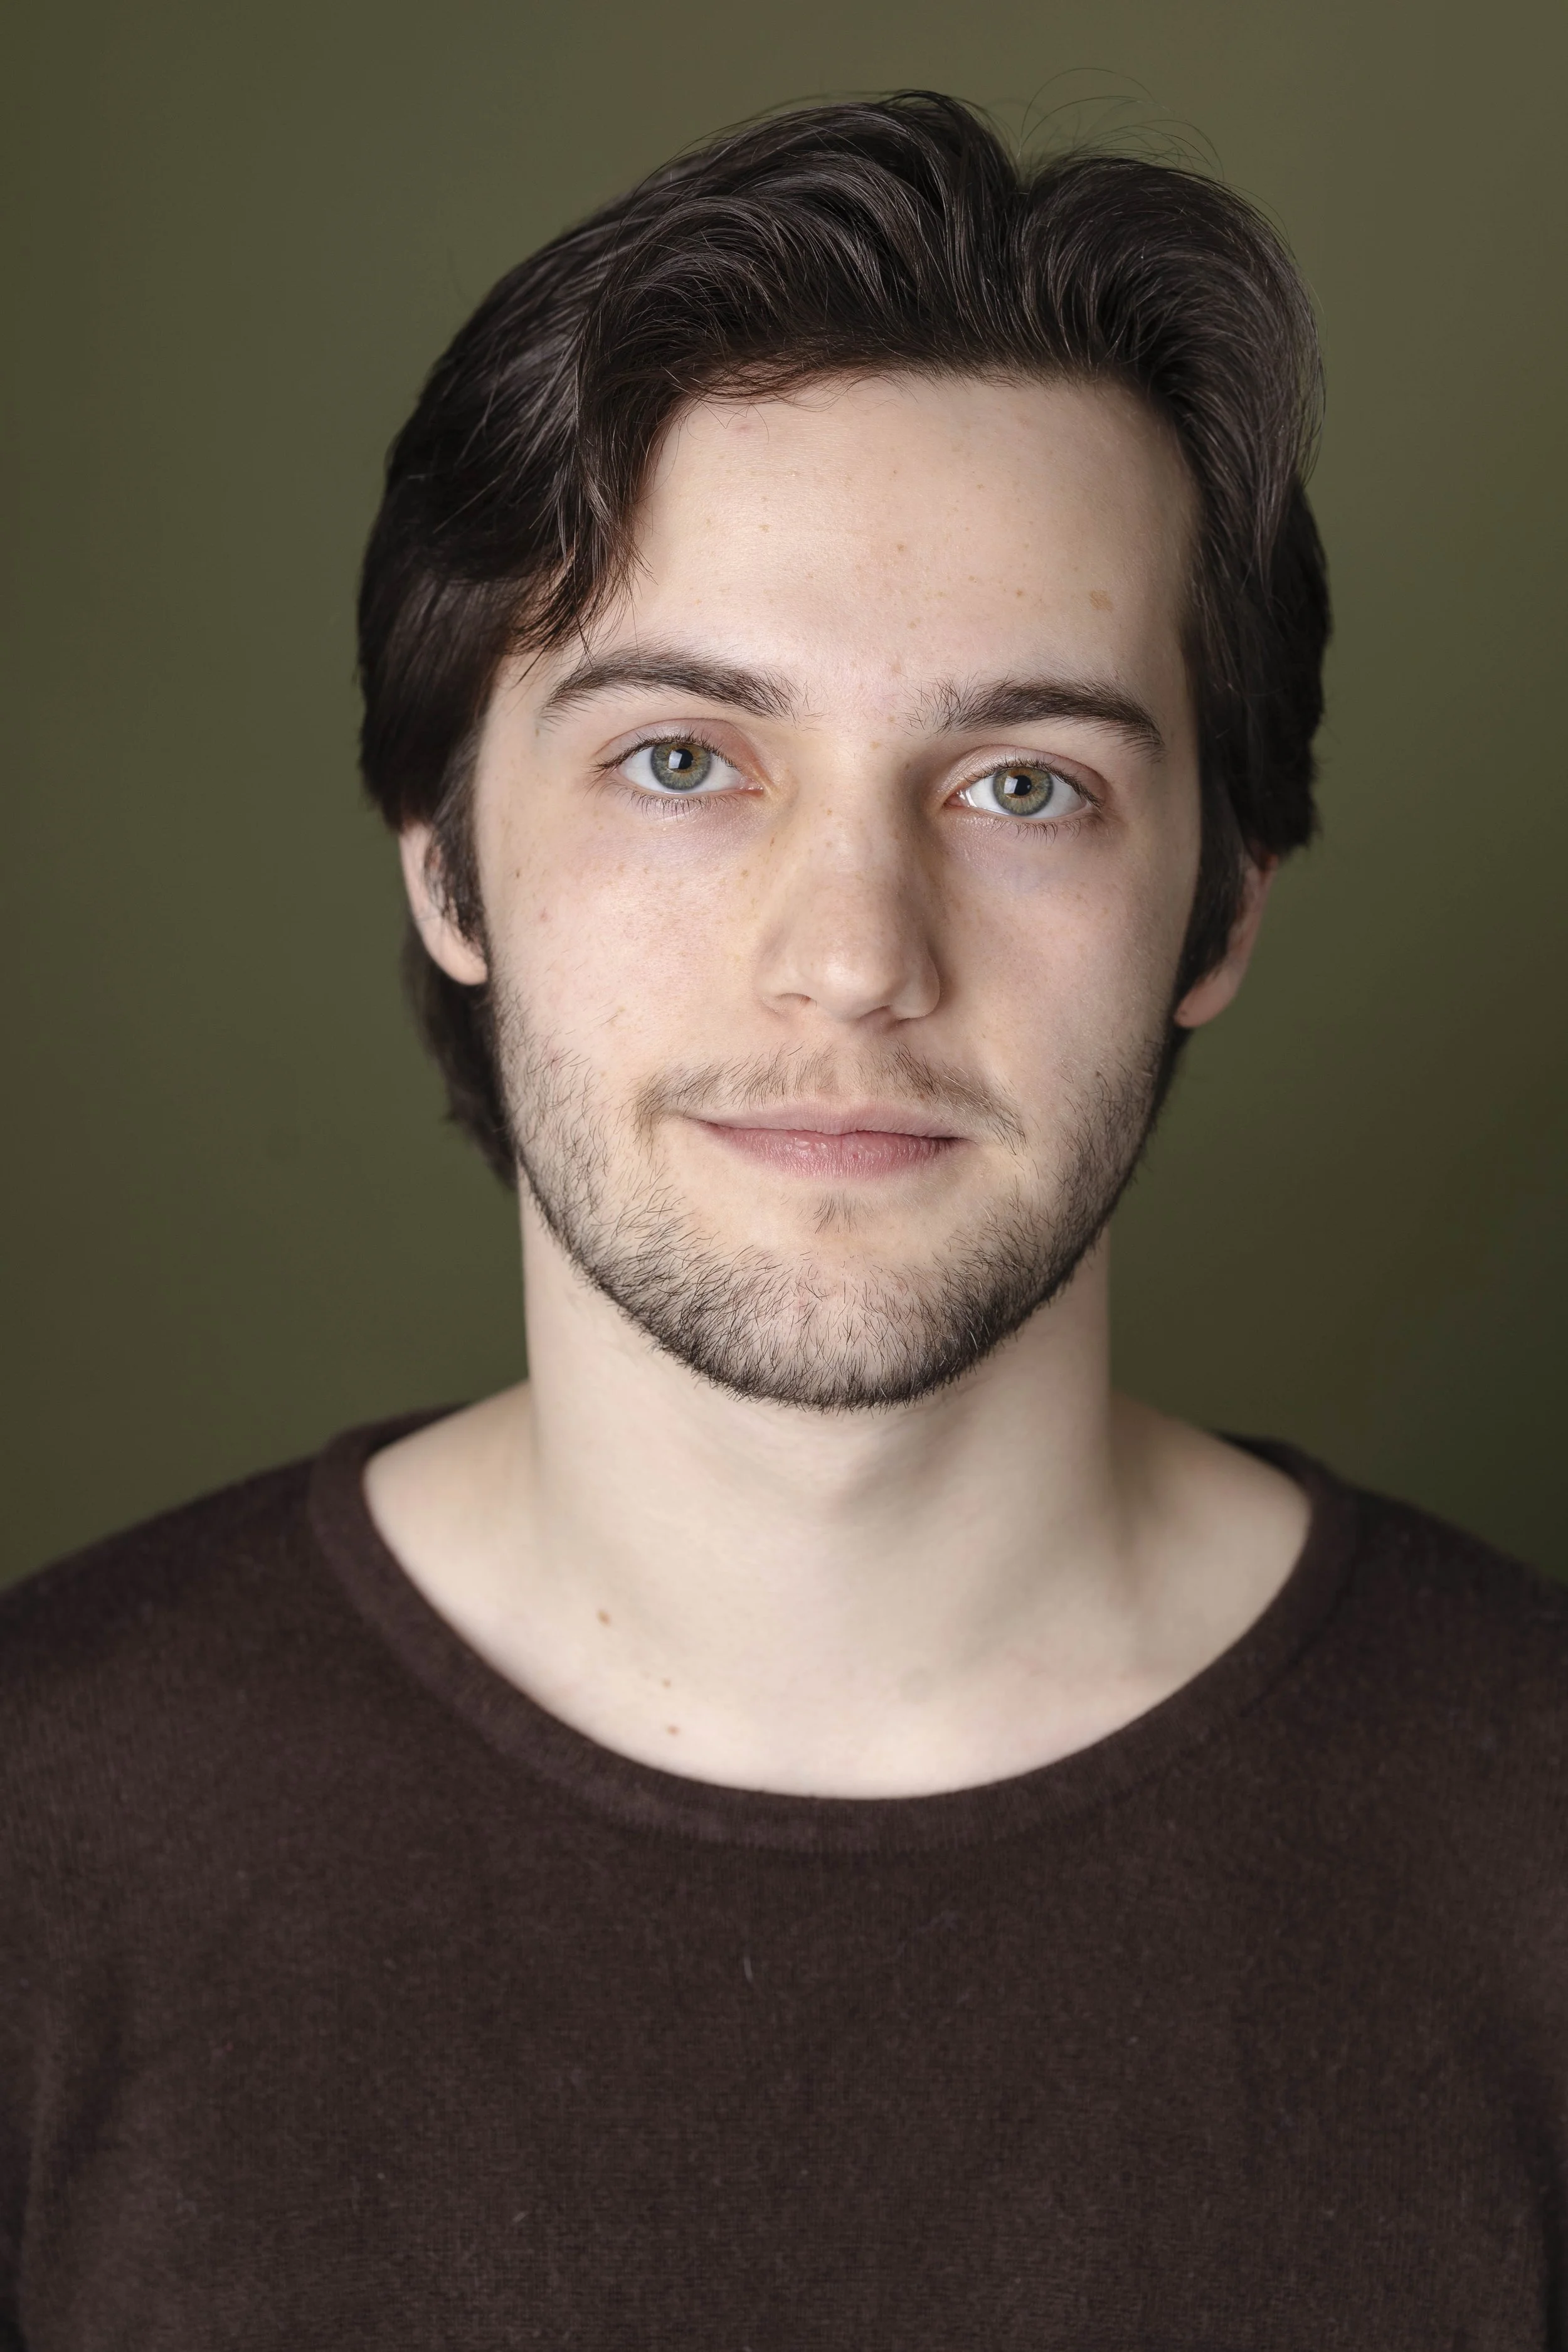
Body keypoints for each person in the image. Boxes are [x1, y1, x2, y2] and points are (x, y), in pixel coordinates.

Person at [3, 91, 1564, 2348]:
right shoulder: (43, 1842)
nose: (850, 952)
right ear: (443, 860)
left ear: (1218, 901)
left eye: (1024, 783)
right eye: (678, 757)